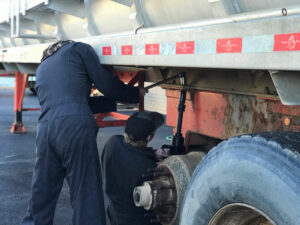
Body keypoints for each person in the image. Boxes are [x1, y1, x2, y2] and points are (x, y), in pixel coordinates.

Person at [21, 40, 146, 225]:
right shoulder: (79, 49)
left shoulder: (42, 67)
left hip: (45, 129)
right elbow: (107, 85)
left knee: (42, 192)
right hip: (74, 127)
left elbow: (68, 102)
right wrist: (135, 94)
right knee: (86, 192)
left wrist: (115, 104)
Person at [101, 111, 167, 225]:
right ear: (149, 137)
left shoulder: (112, 143)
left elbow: (131, 151)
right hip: (139, 221)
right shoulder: (148, 168)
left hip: (115, 215)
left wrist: (152, 153)